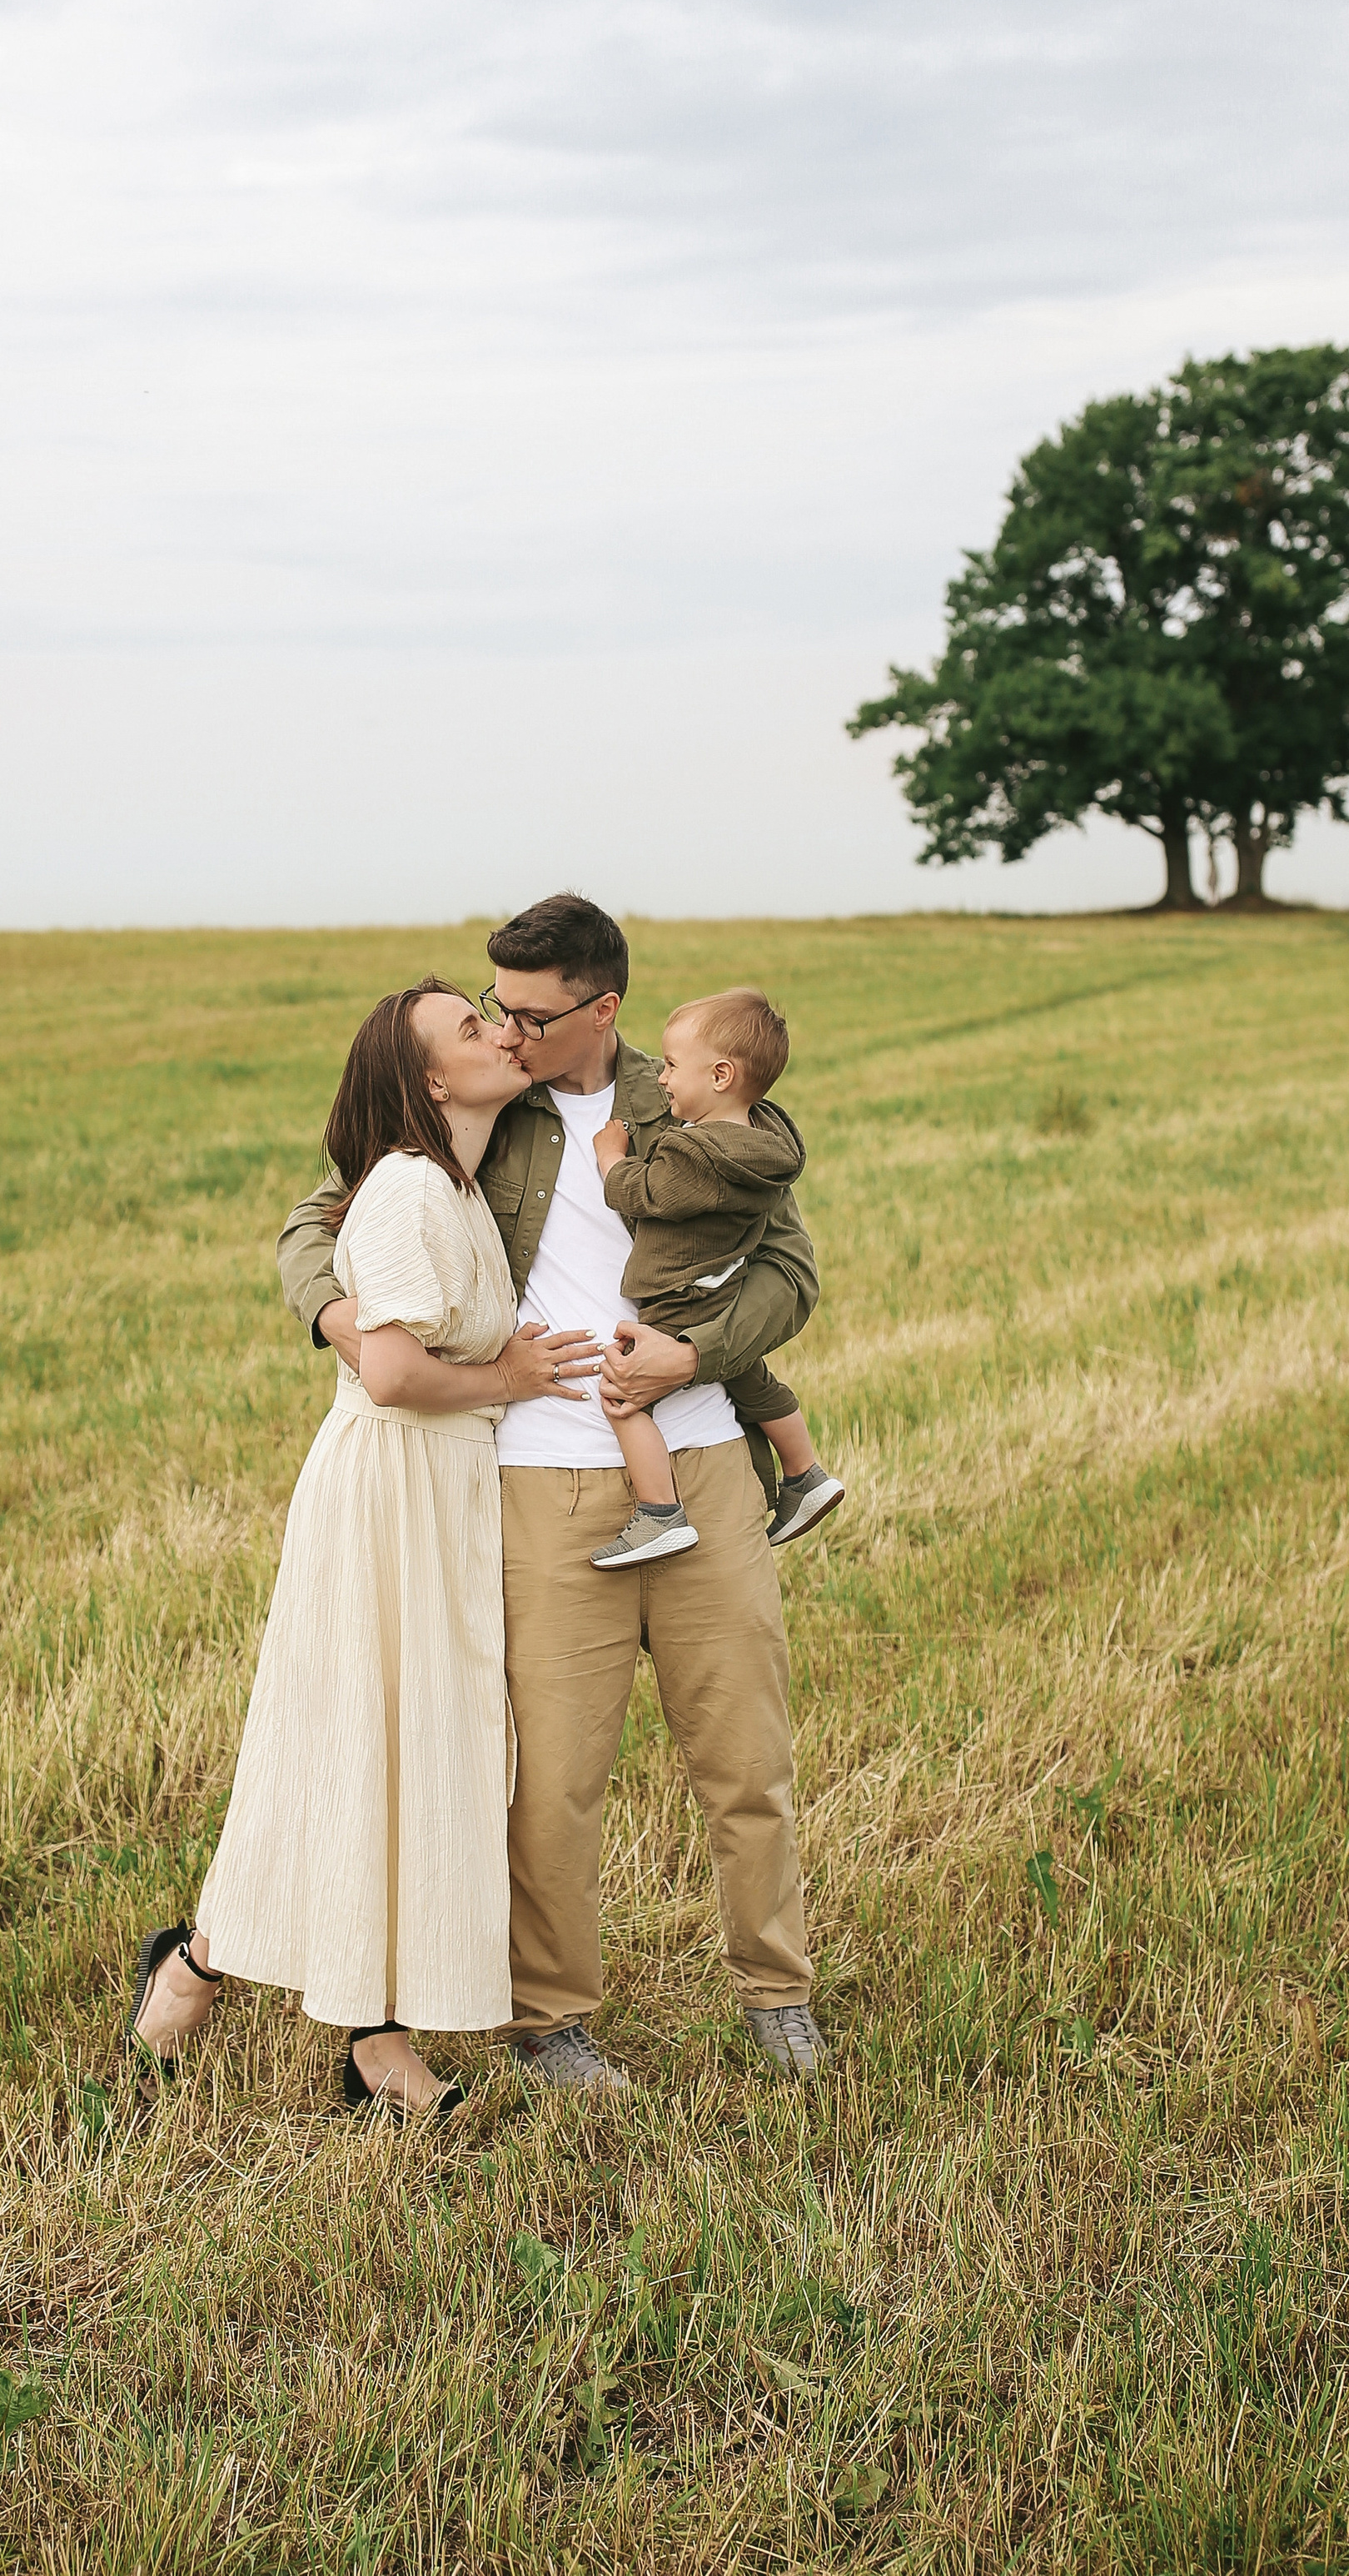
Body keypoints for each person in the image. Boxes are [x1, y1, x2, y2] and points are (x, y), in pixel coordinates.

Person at [277, 892, 827, 2089]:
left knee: (746, 1760)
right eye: (496, 1012)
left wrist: (702, 1353)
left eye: (532, 1014)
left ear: (604, 1008)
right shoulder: (488, 1115)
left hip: (702, 1469)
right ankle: (553, 2022)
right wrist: (348, 1323)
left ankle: (777, 1993)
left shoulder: (692, 1105)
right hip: (537, 1488)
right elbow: (319, 1219)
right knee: (552, 1786)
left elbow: (790, 1265)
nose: (508, 1033)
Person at [126, 978, 598, 2116]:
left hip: (437, 1493)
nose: (502, 1030)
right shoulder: (402, 1191)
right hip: (386, 1490)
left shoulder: (458, 1185)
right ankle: (210, 1977)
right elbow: (387, 1370)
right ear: (432, 1079)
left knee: (412, 1757)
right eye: (474, 1027)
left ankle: (356, 2028)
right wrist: (510, 1378)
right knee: (346, 1749)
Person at [585, 985, 844, 1569]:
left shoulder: (695, 1153)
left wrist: (610, 1156)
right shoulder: (763, 1143)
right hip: (722, 1290)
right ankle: (805, 1473)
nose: (662, 1078)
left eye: (673, 1065)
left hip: (680, 1297)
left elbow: (641, 1193)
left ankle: (660, 1514)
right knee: (750, 1377)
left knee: (624, 1397)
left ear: (721, 1075)